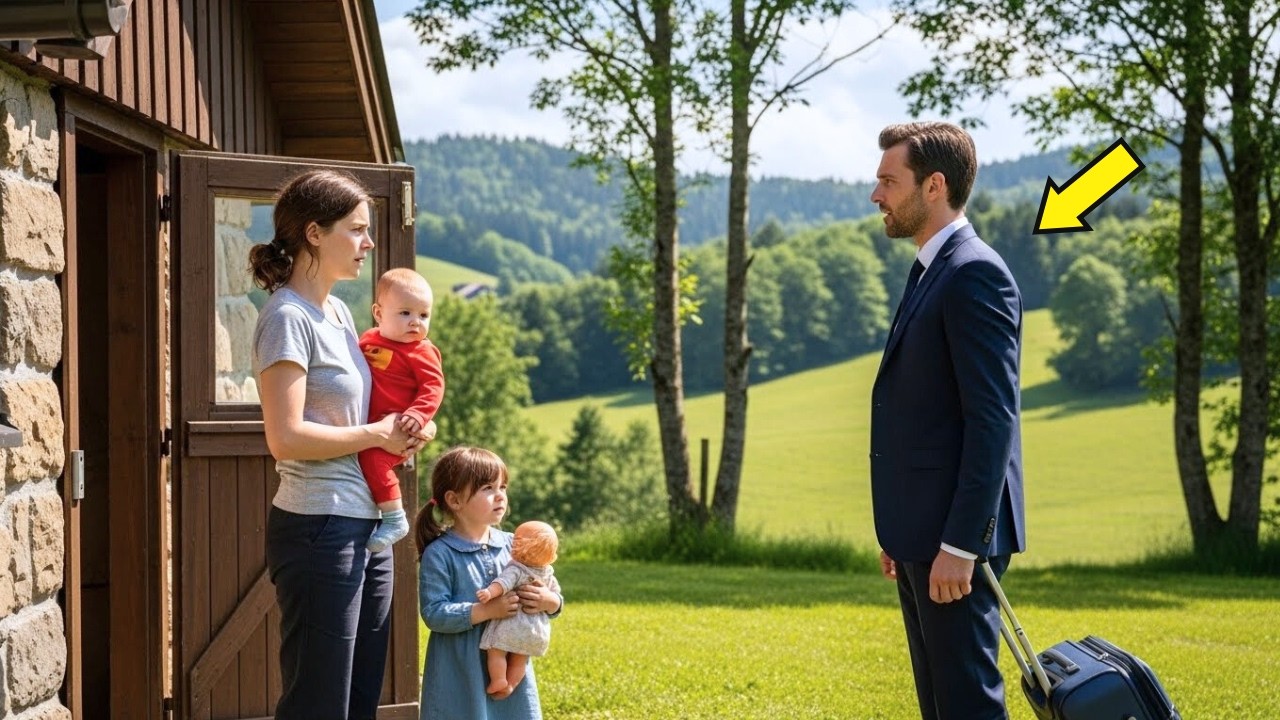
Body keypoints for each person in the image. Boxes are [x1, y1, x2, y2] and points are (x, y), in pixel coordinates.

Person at [249, 169, 433, 720]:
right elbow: (286, 438)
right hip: (320, 528)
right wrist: (376, 433)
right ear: (313, 233)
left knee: (357, 699)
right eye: (356, 230)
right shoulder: (287, 318)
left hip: (368, 525)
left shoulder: (339, 313)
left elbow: (362, 408)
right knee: (319, 701)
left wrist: (409, 426)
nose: (368, 244)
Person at [867, 121, 1026, 720]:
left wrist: (962, 544)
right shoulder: (933, 268)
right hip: (921, 534)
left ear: (934, 186)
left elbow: (992, 421)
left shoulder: (973, 273)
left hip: (955, 542)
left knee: (966, 703)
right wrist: (901, 532)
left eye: (888, 180)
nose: (876, 195)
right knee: (940, 703)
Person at [416, 446, 564, 719]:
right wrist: (485, 611)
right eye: (487, 488)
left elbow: (550, 586)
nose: (500, 496)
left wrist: (549, 601)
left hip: (510, 664)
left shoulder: (514, 544)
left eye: (503, 487)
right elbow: (434, 613)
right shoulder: (440, 553)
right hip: (459, 669)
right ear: (455, 500)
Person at [358, 267, 446, 552]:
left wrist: (419, 416)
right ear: (378, 312)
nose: (415, 323)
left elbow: (433, 387)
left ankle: (395, 517)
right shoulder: (368, 340)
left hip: (399, 427)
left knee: (373, 461)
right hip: (370, 424)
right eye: (405, 313)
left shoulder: (422, 351)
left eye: (424, 315)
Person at [476, 520, 560, 696]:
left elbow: (503, 583)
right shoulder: (548, 573)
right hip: (536, 631)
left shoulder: (517, 568)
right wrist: (552, 601)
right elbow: (556, 596)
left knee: (496, 652)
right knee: (520, 661)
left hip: (512, 626)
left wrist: (490, 593)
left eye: (516, 541)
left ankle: (499, 679)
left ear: (521, 549)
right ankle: (511, 685)